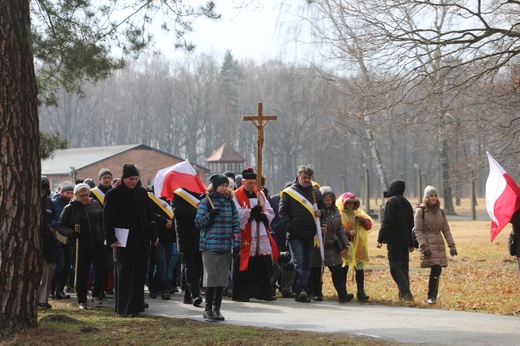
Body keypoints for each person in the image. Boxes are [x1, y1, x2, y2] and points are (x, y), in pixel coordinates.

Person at [103, 164, 157, 317]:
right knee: (125, 275)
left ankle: (137, 305)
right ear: (123, 178)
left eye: (135, 179)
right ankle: (125, 308)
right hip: (123, 241)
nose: (133, 182)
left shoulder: (141, 192)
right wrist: (111, 239)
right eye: (130, 179)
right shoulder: (114, 194)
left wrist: (154, 235)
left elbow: (149, 216)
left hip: (141, 239)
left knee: (139, 275)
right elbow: (107, 219)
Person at [195, 174, 240, 321]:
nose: (225, 189)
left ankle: (217, 308)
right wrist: (210, 216)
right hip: (210, 246)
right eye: (222, 186)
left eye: (227, 186)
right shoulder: (205, 202)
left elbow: (235, 224)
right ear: (215, 186)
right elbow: (199, 223)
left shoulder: (230, 203)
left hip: (225, 245)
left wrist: (236, 242)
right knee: (212, 278)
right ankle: (208, 309)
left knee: (221, 279)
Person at [57, 183, 107, 310]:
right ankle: (82, 299)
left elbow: (102, 220)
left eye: (86, 195)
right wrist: (72, 233)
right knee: (82, 273)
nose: (85, 198)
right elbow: (61, 225)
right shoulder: (70, 208)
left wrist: (104, 235)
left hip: (98, 243)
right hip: (81, 245)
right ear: (75, 195)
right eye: (81, 196)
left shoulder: (95, 204)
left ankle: (96, 293)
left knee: (101, 268)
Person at [279, 165, 325, 303]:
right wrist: (290, 227)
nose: (306, 180)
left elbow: (324, 209)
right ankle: (302, 290)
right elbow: (282, 212)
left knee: (307, 264)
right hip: (295, 235)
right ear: (298, 176)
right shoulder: (289, 193)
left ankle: (305, 289)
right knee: (299, 263)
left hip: (311, 234)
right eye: (304, 177)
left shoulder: (316, 193)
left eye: (309, 178)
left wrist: (321, 213)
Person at [232, 168, 278, 302]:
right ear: (243, 182)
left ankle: (264, 292)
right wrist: (251, 213)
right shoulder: (236, 195)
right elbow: (237, 212)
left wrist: (262, 216)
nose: (252, 186)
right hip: (246, 233)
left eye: (254, 183)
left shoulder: (260, 195)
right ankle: (243, 293)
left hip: (260, 232)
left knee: (262, 263)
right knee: (246, 262)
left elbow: (270, 211)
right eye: (249, 183)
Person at [413, 185, 457, 304]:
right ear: (426, 197)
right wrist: (423, 246)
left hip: (439, 243)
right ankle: (430, 295)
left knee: (437, 270)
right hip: (427, 243)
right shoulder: (420, 211)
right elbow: (418, 230)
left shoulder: (441, 212)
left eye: (435, 196)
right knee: (436, 268)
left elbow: (446, 229)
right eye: (431, 196)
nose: (434, 198)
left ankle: (433, 296)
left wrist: (452, 245)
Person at [309, 186, 350, 302]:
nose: (328, 202)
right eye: (326, 200)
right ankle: (316, 293)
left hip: (333, 247)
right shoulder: (316, 212)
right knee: (317, 272)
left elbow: (340, 229)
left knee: (337, 272)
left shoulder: (336, 212)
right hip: (319, 246)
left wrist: (345, 243)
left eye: (330, 200)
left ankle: (342, 294)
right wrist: (320, 232)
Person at [377, 179, 415, 301]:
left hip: (394, 241)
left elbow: (387, 222)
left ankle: (407, 296)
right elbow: (411, 225)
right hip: (405, 241)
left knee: (395, 269)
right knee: (403, 269)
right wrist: (412, 243)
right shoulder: (406, 203)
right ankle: (403, 296)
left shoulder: (391, 202)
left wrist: (380, 239)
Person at [336, 192, 373, 302]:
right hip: (345, 246)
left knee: (359, 268)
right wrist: (347, 232)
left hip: (358, 247)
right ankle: (343, 291)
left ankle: (361, 291)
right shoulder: (339, 214)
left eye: (353, 203)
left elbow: (369, 226)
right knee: (344, 267)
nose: (351, 206)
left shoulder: (359, 213)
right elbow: (336, 228)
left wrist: (363, 221)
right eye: (348, 203)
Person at [173, 187, 204, 306]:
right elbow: (178, 212)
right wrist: (197, 211)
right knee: (190, 267)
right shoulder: (178, 194)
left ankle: (188, 295)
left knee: (198, 268)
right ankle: (195, 295)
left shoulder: (199, 194)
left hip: (199, 236)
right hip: (185, 237)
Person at [147, 188, 176, 300]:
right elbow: (150, 215)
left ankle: (154, 286)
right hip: (157, 236)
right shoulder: (151, 198)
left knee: (165, 264)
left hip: (169, 237)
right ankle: (165, 288)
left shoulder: (171, 199)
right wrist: (164, 221)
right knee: (161, 262)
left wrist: (171, 223)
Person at [90, 168, 115, 296]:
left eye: (109, 178)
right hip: (98, 233)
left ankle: (107, 287)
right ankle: (97, 288)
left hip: (112, 231)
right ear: (99, 179)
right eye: (104, 178)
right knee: (99, 264)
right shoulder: (93, 193)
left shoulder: (114, 192)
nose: (107, 180)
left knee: (111, 263)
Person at [50, 181, 75, 300]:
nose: (70, 195)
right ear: (62, 192)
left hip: (68, 238)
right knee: (59, 265)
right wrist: (60, 225)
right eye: (67, 192)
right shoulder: (54, 203)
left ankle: (60, 290)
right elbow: (49, 220)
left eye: (72, 192)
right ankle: (52, 289)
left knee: (66, 267)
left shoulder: (74, 205)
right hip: (57, 238)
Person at [270, 182, 295, 298]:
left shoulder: (296, 202)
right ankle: (271, 287)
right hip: (275, 237)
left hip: (290, 236)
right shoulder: (273, 200)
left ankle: (286, 288)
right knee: (274, 263)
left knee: (289, 263)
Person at [38, 176, 56, 309]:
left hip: (47, 240)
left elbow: (55, 218)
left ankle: (43, 299)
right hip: (32, 240)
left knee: (48, 269)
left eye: (44, 191)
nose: (41, 194)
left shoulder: (50, 203)